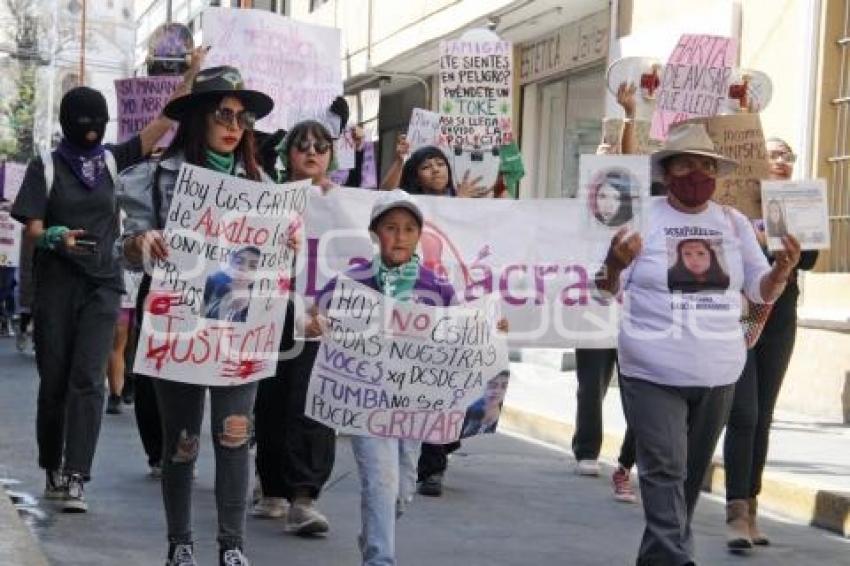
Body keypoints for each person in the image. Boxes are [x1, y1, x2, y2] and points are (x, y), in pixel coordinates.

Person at [594, 122, 801, 566]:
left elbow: (759, 292)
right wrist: (612, 265)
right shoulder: (640, 217)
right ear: (667, 173)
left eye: (706, 166)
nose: (697, 173)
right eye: (686, 164)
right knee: (664, 467)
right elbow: (602, 291)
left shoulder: (733, 222)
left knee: (686, 479)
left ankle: (659, 557)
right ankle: (675, 558)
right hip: (651, 369)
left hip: (719, 371)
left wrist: (780, 272)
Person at [120, 65, 277, 566]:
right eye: (223, 114)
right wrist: (141, 243)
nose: (235, 125)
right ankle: (180, 544)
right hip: (179, 325)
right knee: (182, 441)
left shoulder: (262, 183)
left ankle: (232, 547)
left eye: (242, 116)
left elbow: (277, 254)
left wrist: (286, 241)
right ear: (198, 119)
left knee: (235, 434)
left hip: (239, 326)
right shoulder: (155, 175)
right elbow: (126, 249)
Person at [11, 84, 173, 513]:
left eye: (100, 122)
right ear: (69, 122)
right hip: (57, 287)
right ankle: (52, 465)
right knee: (55, 383)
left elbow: (160, 128)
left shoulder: (111, 160)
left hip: (103, 285)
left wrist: (189, 79)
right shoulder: (45, 165)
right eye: (85, 121)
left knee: (88, 379)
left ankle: (77, 473)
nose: (93, 129)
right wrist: (54, 236)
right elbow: (31, 227)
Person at [311, 189, 459, 566]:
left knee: (402, 489)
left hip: (414, 407)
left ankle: (374, 536)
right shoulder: (354, 281)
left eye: (409, 229)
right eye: (391, 228)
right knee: (381, 481)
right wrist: (315, 322)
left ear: (418, 235)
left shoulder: (436, 287)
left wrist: (492, 328)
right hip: (367, 401)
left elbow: (460, 330)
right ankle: (380, 558)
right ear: (376, 233)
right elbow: (315, 313)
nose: (400, 236)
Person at [722, 137, 819, 551]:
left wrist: (792, 235)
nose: (782, 161)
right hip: (740, 313)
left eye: (788, 156)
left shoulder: (800, 203)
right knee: (743, 411)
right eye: (775, 154)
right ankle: (736, 511)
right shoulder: (737, 208)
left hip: (780, 316)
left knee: (763, 414)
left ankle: (753, 503)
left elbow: (811, 261)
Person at [251, 119, 336, 535]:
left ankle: (305, 496)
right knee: (272, 399)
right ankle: (271, 487)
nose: (313, 153)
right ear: (288, 156)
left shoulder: (346, 204)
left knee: (316, 400)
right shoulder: (270, 199)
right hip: (274, 311)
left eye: (321, 146)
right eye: (303, 146)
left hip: (321, 319)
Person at [202, 246, 261, 323]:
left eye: (253, 266)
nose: (243, 268)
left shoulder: (259, 303)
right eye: (239, 262)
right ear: (231, 263)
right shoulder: (211, 283)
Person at [460, 371, 509, 437]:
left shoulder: (506, 421)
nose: (497, 391)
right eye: (492, 386)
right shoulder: (469, 411)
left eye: (504, 387)